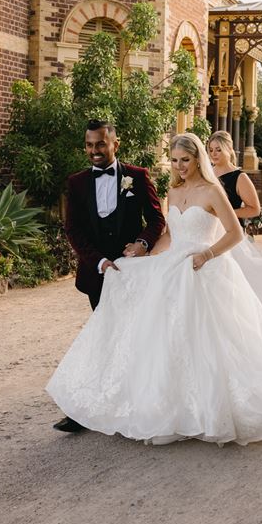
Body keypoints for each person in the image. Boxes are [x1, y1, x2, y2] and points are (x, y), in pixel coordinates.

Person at [46, 134, 262, 445]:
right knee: (168, 339)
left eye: (185, 160)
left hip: (208, 270)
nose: (179, 167)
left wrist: (206, 254)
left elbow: (234, 233)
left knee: (213, 340)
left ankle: (213, 406)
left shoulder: (211, 191)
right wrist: (143, 250)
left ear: (197, 160)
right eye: (174, 160)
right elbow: (171, 235)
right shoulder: (174, 192)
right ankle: (173, 405)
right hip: (175, 270)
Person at [54, 120, 165, 433]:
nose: (94, 151)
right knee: (103, 340)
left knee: (137, 337)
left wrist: (143, 244)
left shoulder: (138, 177)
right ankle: (83, 411)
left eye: (100, 144)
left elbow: (157, 220)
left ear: (115, 143)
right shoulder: (76, 183)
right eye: (89, 145)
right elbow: (72, 229)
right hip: (98, 275)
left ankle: (140, 403)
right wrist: (99, 261)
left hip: (135, 274)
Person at [206, 130, 261, 220]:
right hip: (208, 229)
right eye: (211, 150)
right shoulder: (206, 173)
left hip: (231, 229)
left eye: (218, 150)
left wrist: (224, 214)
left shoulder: (239, 177)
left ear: (229, 149)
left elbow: (255, 210)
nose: (213, 154)